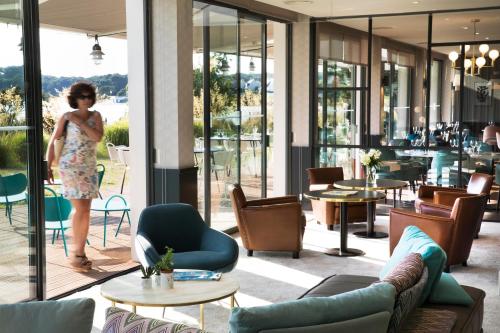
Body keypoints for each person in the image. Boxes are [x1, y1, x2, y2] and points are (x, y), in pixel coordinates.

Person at [46, 82, 103, 271]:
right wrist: (48, 166)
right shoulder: (65, 117)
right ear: (75, 98)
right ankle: (77, 254)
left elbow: (97, 137)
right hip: (70, 168)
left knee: (85, 211)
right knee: (79, 209)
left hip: (88, 169)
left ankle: (80, 252)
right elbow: (54, 141)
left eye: (89, 96)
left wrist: (79, 122)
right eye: (82, 96)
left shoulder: (96, 116)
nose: (86, 100)